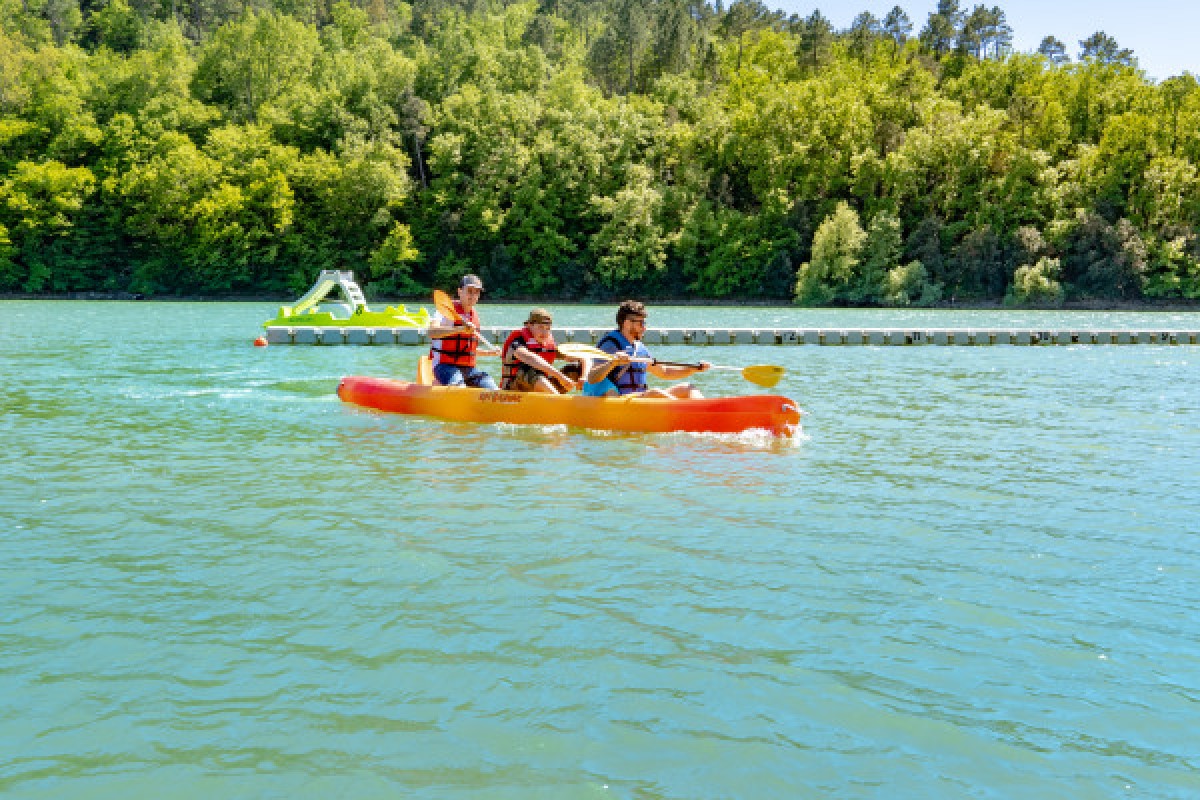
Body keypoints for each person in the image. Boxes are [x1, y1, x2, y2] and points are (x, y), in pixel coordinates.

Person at [583, 300, 709, 398]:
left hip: (639, 398)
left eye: (644, 323)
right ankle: (687, 415)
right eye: (641, 323)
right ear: (627, 323)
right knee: (656, 393)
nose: (644, 328)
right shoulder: (610, 344)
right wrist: (613, 362)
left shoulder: (639, 348)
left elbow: (665, 372)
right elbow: (592, 378)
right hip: (619, 400)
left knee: (688, 388)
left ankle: (706, 414)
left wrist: (694, 369)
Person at [428, 274, 498, 389]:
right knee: (459, 386)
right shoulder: (444, 311)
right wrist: (460, 329)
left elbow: (468, 350)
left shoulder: (474, 316)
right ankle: (445, 387)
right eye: (469, 291)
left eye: (476, 292)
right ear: (460, 291)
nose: (473, 296)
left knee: (491, 387)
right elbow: (432, 332)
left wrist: (489, 353)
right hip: (444, 366)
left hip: (468, 369)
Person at [500, 308, 578, 394]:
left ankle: (576, 399)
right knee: (529, 368)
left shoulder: (549, 345)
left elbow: (581, 358)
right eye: (540, 327)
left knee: (575, 368)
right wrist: (560, 376)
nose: (544, 333)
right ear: (529, 325)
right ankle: (558, 400)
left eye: (547, 328)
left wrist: (584, 376)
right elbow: (531, 358)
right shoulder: (517, 342)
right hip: (513, 389)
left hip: (541, 386)